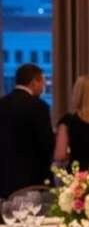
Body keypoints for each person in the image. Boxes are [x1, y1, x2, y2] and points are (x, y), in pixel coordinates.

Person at [0, 64, 53, 197]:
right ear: (34, 82)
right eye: (43, 81)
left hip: (4, 176)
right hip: (32, 179)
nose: (44, 86)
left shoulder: (2, 104)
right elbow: (46, 145)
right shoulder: (39, 106)